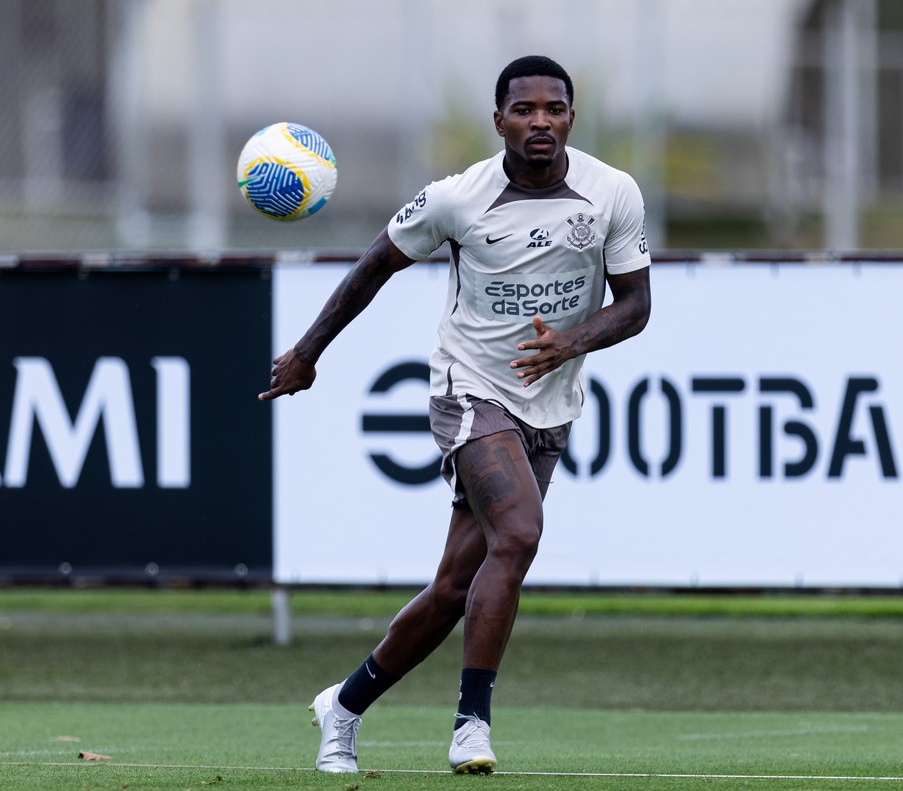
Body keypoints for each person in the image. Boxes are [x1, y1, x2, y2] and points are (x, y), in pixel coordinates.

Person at [258, 54, 652, 774]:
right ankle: (472, 722)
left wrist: (573, 339)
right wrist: (308, 352)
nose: (541, 121)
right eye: (524, 110)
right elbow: (374, 264)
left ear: (571, 116)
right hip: (469, 389)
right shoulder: (457, 198)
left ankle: (342, 706)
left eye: (554, 109)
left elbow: (636, 306)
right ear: (498, 119)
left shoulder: (611, 193)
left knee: (451, 590)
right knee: (522, 532)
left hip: (552, 404)